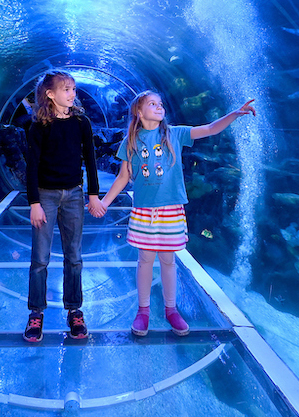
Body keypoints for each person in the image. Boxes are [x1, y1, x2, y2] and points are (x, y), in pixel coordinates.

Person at [92, 91, 255, 336]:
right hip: (144, 211)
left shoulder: (174, 134)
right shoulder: (131, 141)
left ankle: (171, 309)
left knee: (168, 261)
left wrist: (233, 115)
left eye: (160, 103)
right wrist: (104, 202)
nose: (159, 107)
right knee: (145, 260)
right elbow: (123, 177)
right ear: (139, 111)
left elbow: (209, 129)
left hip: (170, 210)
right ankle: (143, 311)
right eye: (152, 104)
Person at [23, 71, 105, 342]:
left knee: (74, 256)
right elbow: (31, 167)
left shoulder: (81, 122)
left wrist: (93, 194)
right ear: (50, 94)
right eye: (66, 89)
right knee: (40, 259)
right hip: (45, 195)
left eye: (73, 88)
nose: (72, 93)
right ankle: (36, 313)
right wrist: (34, 202)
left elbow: (91, 160)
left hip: (73, 194)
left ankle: (75, 310)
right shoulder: (38, 126)